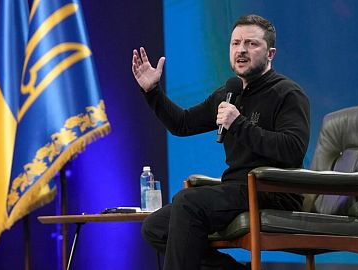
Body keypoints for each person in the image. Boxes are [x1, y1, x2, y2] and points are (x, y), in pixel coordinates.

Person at [132, 14, 310, 270]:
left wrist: (239, 124)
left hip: (273, 191)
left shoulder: (287, 93)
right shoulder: (229, 93)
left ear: (270, 53)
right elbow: (182, 123)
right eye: (235, 43)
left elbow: (293, 150)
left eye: (251, 44)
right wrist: (153, 92)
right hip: (237, 189)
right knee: (156, 227)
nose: (241, 50)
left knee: (187, 202)